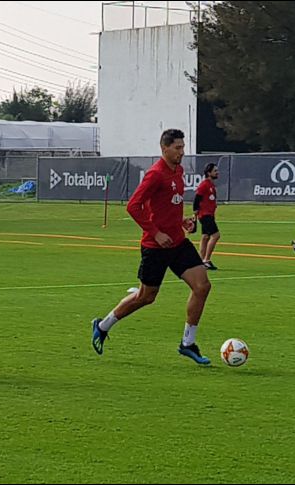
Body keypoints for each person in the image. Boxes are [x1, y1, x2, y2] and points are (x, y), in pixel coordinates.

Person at [91, 129, 213, 364]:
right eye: (177, 148)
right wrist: (155, 233)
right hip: (155, 247)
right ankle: (103, 325)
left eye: (183, 147)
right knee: (146, 297)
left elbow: (166, 206)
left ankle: (188, 343)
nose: (182, 152)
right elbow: (133, 206)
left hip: (177, 242)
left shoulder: (178, 171)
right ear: (164, 148)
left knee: (202, 286)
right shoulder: (155, 174)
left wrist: (182, 221)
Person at [194, 162, 221, 270]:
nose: (217, 172)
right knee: (216, 235)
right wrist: (195, 213)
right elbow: (197, 199)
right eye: (215, 171)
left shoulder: (211, 185)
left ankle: (200, 261)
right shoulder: (204, 184)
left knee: (205, 237)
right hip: (205, 215)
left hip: (209, 214)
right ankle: (207, 260)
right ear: (209, 173)